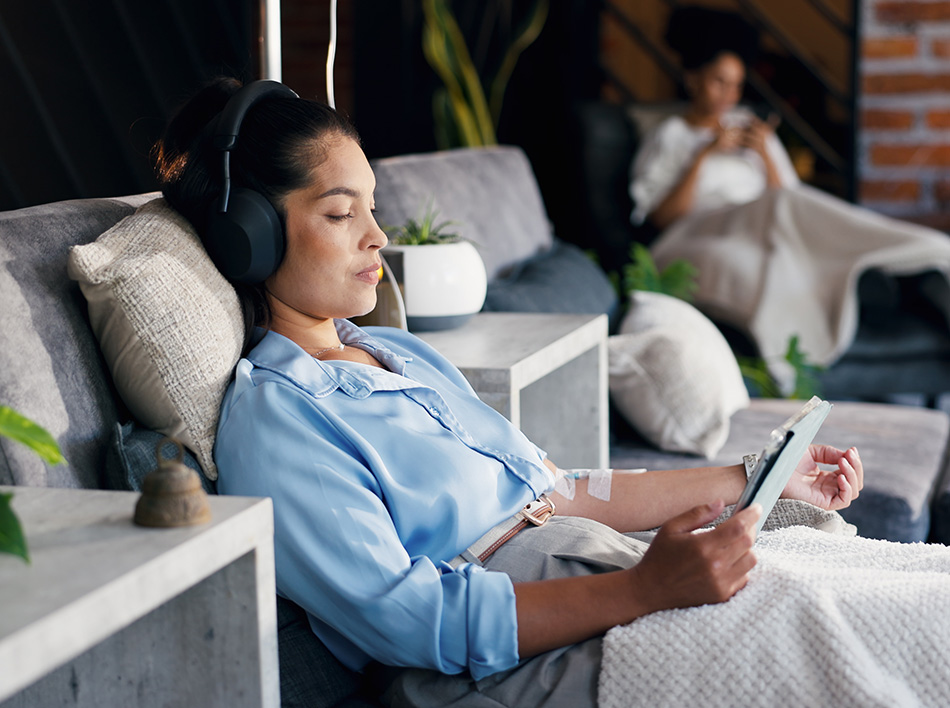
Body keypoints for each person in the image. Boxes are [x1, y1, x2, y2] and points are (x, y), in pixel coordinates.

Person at [152, 77, 865, 707]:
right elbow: (412, 623)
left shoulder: (393, 351)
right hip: (507, 661)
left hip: (589, 566)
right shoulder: (278, 417)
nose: (378, 237)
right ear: (251, 236)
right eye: (342, 214)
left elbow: (564, 488)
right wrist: (644, 591)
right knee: (839, 649)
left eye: (372, 208)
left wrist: (756, 477)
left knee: (856, 595)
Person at [630, 7, 950, 379]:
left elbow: (796, 207)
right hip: (703, 228)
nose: (728, 95)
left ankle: (908, 255)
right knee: (779, 207)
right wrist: (703, 155)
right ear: (692, 80)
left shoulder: (752, 130)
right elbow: (661, 217)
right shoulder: (671, 135)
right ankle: (905, 252)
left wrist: (765, 153)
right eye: (719, 81)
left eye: (736, 85)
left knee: (784, 215)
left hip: (765, 227)